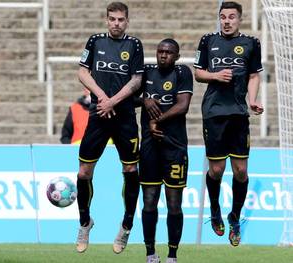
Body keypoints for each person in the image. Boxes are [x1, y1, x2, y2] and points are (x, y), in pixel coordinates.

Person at [194, 1, 264, 247]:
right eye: (223, 17)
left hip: (238, 113)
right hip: (213, 113)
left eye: (231, 17)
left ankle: (234, 217)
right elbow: (197, 72)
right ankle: (214, 209)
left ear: (239, 19)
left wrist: (253, 99)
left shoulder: (251, 43)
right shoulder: (208, 40)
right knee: (216, 171)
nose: (226, 21)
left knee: (241, 171)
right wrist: (215, 75)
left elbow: (254, 74)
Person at [75, 1, 143, 254]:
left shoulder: (134, 44)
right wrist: (103, 98)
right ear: (106, 20)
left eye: (121, 19)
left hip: (124, 117)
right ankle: (84, 223)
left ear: (127, 21)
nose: (116, 23)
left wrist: (113, 101)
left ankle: (126, 225)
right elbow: (83, 72)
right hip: (98, 115)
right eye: (112, 19)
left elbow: (137, 80)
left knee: (130, 168)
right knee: (84, 172)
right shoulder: (95, 41)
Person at [139, 39, 193, 263]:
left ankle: (172, 255)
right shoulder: (146, 72)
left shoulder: (183, 72)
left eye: (169, 52)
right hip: (150, 147)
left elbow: (183, 105)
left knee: (174, 202)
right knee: (149, 199)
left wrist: (156, 121)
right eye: (160, 51)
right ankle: (151, 254)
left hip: (175, 146)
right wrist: (145, 99)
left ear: (177, 56)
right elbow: (130, 95)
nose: (163, 55)